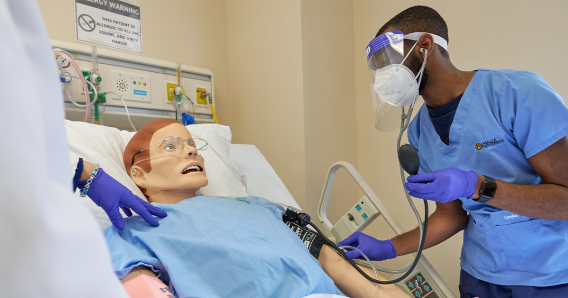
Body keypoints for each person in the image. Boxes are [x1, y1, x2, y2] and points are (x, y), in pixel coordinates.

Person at [340, 5, 568, 298]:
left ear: (424, 45)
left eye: (389, 59)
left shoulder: (514, 94)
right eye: (378, 65)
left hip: (549, 276)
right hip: (480, 275)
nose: (384, 74)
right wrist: (387, 248)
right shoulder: (420, 129)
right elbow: (452, 216)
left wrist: (475, 185)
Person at [103, 119, 410, 298]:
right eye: (170, 146)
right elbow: (141, 287)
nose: (189, 150)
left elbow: (344, 270)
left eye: (191, 144)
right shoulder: (131, 231)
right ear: (138, 174)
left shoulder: (259, 206)